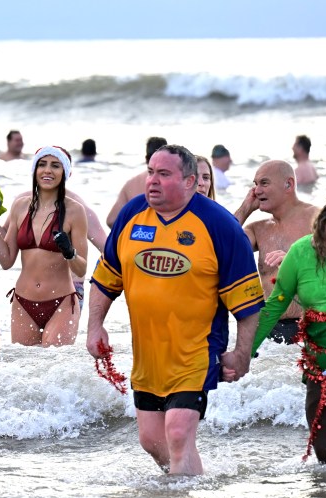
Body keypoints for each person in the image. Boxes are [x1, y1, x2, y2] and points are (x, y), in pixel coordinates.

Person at [87, 144, 264, 476]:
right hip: (149, 355)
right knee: (152, 441)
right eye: (150, 172)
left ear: (190, 182)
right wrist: (95, 326)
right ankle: (190, 488)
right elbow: (105, 278)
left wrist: (242, 353)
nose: (152, 181)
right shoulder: (131, 216)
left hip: (196, 352)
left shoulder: (219, 226)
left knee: (179, 434)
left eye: (163, 174)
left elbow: (248, 304)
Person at [250, 197, 326, 463]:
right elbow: (274, 307)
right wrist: (245, 351)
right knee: (325, 454)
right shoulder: (301, 254)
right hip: (319, 371)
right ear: (318, 236)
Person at [0, 146, 88, 347]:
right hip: (23, 303)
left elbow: (81, 268)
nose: (48, 170)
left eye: (55, 166)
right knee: (25, 368)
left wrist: (70, 253)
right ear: (34, 170)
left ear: (64, 172)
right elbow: (6, 260)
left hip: (61, 302)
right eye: (42, 164)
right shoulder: (20, 206)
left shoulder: (75, 211)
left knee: (53, 368)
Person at [233, 160, 320, 344]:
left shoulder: (318, 219)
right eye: (255, 185)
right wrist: (245, 208)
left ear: (288, 184)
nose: (257, 190)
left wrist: (295, 262)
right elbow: (222, 249)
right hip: (269, 333)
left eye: (264, 183)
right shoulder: (258, 229)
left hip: (312, 328)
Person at [105, 136, 167, 227]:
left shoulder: (131, 184)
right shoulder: (173, 182)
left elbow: (111, 220)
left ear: (146, 158)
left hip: (137, 234)